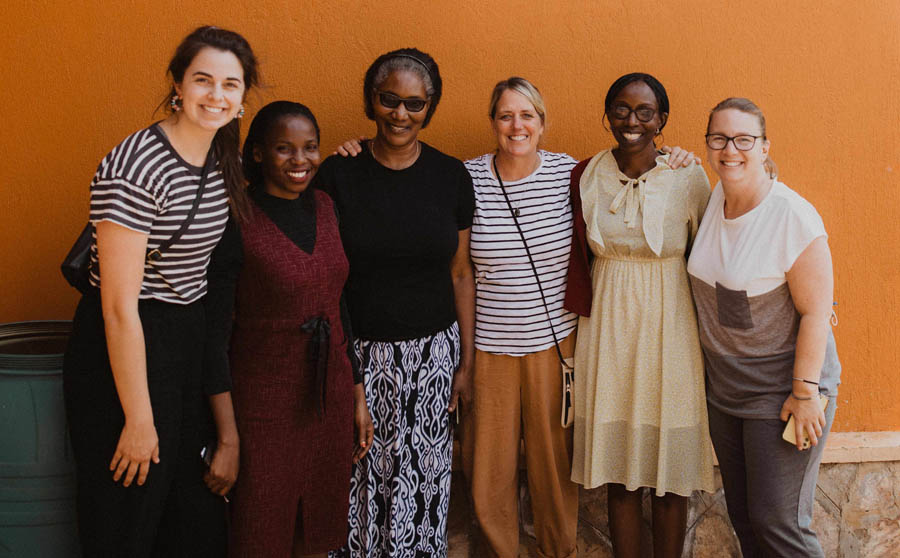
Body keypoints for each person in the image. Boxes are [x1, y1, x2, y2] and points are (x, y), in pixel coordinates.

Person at [62, 26, 259, 557]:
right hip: (126, 352)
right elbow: (120, 309)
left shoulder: (222, 158)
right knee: (127, 515)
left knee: (189, 521)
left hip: (183, 344)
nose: (216, 95)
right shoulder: (134, 165)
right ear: (177, 84)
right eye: (202, 80)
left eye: (230, 85)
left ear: (243, 98)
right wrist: (140, 420)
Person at [313, 48, 475, 557]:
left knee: (424, 485)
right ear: (371, 100)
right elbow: (327, 281)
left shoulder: (450, 177)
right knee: (359, 479)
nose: (400, 114)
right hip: (358, 353)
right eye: (389, 100)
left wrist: (465, 364)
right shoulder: (338, 176)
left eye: (414, 104)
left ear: (430, 108)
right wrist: (349, 370)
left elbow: (460, 271)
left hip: (434, 357)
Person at [204, 101, 374, 557]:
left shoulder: (324, 207)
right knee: (260, 530)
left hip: (329, 398)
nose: (301, 161)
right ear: (257, 153)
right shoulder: (234, 219)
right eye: (285, 149)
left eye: (310, 148)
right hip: (263, 405)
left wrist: (357, 395)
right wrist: (227, 437)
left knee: (318, 530)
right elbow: (213, 337)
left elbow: (339, 306)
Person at [565, 73, 715, 558]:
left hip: (670, 327)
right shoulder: (587, 174)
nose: (632, 121)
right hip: (608, 326)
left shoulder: (688, 176)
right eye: (622, 110)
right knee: (620, 472)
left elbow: (712, 249)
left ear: (662, 120)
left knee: (670, 476)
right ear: (607, 115)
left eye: (645, 111)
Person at [686, 97, 840, 557]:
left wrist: (806, 392)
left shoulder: (792, 217)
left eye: (743, 139)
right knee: (747, 521)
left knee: (780, 524)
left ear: (765, 146)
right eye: (719, 138)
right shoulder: (714, 197)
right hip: (727, 393)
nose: (730, 149)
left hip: (783, 393)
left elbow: (816, 312)